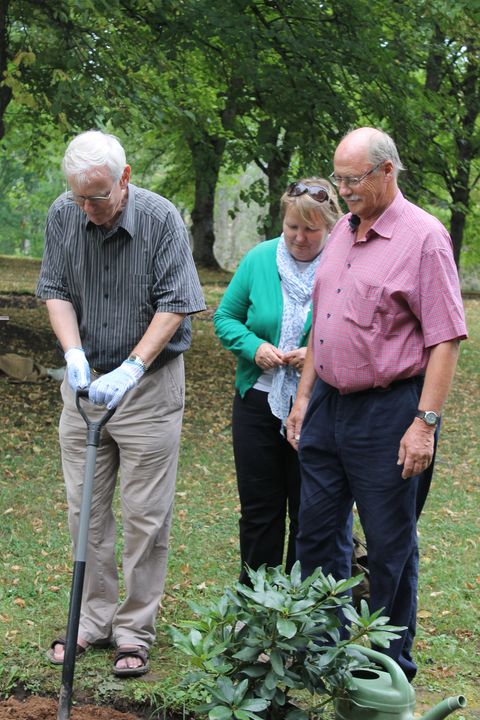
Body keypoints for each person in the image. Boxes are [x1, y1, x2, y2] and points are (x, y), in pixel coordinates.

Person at [286, 127, 467, 680]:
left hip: (390, 412)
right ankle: (323, 654)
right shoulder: (342, 231)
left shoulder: (424, 237)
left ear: (387, 171)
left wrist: (424, 424)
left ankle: (387, 668)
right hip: (328, 408)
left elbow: (446, 339)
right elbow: (324, 324)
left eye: (353, 179)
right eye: (338, 178)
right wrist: (303, 399)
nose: (342, 190)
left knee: (390, 546)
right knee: (316, 536)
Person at [36, 130, 205, 676]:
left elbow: (176, 303)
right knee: (84, 509)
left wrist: (132, 366)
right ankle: (92, 620)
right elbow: (55, 289)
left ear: (124, 178)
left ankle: (134, 630)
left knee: (145, 516)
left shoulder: (161, 219)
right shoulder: (63, 214)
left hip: (148, 387)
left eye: (99, 196)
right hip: (85, 387)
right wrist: (73, 352)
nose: (88, 208)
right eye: (80, 197)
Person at [213, 178, 344, 584]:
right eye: (292, 227)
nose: (299, 238)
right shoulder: (259, 259)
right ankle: (257, 603)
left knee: (311, 511)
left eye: (310, 230)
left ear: (330, 228)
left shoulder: (344, 265)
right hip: (257, 401)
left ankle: (300, 607)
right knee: (260, 511)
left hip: (319, 407)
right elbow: (225, 318)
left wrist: (317, 354)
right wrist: (253, 347)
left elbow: (357, 333)